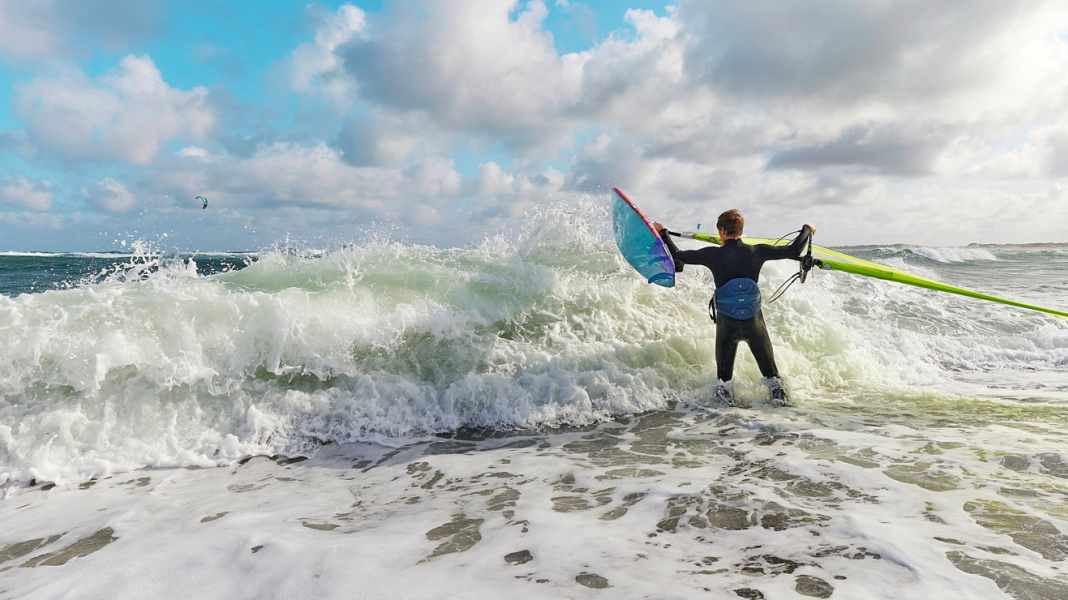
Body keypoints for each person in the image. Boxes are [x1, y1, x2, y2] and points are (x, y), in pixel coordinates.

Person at [653, 210, 814, 407]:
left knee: (723, 384)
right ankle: (781, 422)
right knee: (773, 380)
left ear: (721, 231)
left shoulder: (712, 254)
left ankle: (725, 426)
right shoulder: (757, 251)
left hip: (727, 327)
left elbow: (678, 256)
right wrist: (807, 229)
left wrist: (663, 234)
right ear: (741, 231)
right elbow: (794, 250)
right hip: (754, 326)